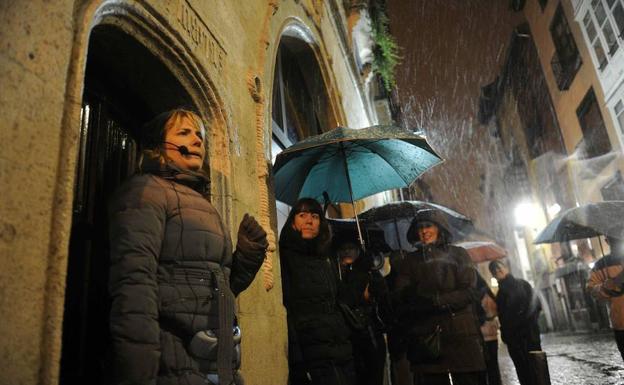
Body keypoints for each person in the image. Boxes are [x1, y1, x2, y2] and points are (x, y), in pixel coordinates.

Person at [108, 108, 268, 385]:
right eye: (184, 133)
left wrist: (247, 255)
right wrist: (139, 371)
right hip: (173, 364)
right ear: (158, 146)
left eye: (199, 135)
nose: (197, 140)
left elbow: (215, 290)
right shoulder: (146, 191)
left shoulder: (203, 202)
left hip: (217, 364)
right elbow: (133, 283)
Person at [394, 209, 485, 385]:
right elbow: (401, 295)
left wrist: (436, 301)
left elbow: (469, 292)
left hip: (460, 334)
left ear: (439, 228)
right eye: (420, 227)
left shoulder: (458, 254)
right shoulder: (410, 261)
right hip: (427, 339)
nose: (424, 231)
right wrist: (412, 298)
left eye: (428, 226)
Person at [279, 198, 354, 385]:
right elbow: (289, 310)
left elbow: (339, 300)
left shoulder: (326, 258)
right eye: (302, 215)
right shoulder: (286, 257)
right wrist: (298, 363)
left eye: (315, 216)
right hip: (312, 355)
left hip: (341, 350)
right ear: (293, 222)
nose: (309, 221)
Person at [334, 233, 390, 385]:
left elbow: (382, 298)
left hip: (369, 334)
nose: (347, 252)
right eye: (343, 248)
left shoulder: (369, 272)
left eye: (351, 248)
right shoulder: (335, 274)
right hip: (346, 339)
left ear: (359, 250)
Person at [488, 260, 541, 385]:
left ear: (506, 268)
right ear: (494, 276)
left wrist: (530, 323)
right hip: (517, 340)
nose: (498, 272)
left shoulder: (522, 284)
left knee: (535, 368)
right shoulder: (500, 295)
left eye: (499, 268)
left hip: (529, 335)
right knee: (525, 370)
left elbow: (536, 305)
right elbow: (504, 318)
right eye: (495, 271)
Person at [587, 235, 624, 362]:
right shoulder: (601, 265)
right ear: (607, 241)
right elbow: (593, 292)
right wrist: (611, 283)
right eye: (614, 239)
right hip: (621, 323)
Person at [475, 273, 501, 385]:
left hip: (482, 334)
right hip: (492, 333)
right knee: (493, 365)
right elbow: (496, 310)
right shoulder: (489, 293)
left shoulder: (477, 296)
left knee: (484, 366)